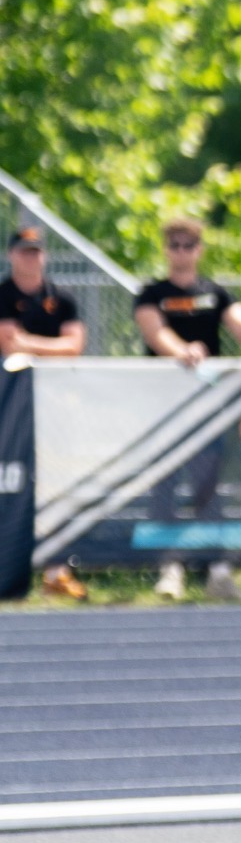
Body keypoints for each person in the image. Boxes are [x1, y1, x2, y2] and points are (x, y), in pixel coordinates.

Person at [133, 217, 241, 600]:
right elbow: (155, 331)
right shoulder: (152, 293)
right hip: (163, 409)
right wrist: (184, 351)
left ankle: (217, 568)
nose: (181, 251)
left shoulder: (214, 293)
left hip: (205, 414)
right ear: (166, 249)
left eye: (188, 245)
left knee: (208, 488)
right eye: (174, 245)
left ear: (199, 250)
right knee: (163, 488)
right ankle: (170, 568)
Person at [2, 227, 91, 599]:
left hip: (56, 406)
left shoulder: (62, 297)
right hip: (9, 408)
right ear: (11, 255)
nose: (31, 257)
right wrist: (45, 346)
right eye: (24, 251)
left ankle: (56, 568)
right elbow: (6, 343)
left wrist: (29, 345)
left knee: (57, 481)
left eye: (36, 251)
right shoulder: (3, 294)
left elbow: (74, 345)